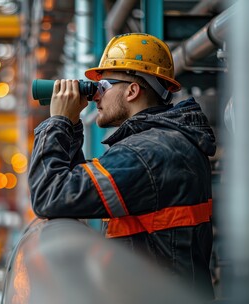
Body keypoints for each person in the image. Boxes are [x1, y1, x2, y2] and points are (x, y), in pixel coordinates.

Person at [28, 33, 216, 299]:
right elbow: (76, 189)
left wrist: (57, 121)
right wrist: (69, 125)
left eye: (102, 86)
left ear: (132, 90)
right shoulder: (162, 144)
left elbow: (50, 195)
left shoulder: (148, 153)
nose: (95, 97)